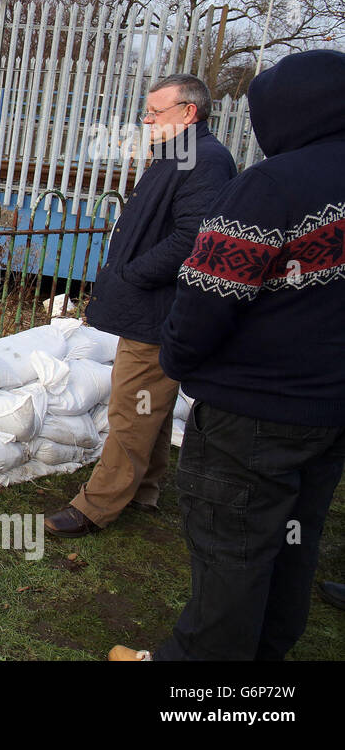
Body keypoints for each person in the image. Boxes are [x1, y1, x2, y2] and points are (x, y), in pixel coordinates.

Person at [111, 49, 345, 661]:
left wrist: (183, 361)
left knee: (232, 544)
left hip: (255, 409)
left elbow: (210, 292)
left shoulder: (270, 185)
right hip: (329, 404)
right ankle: (266, 651)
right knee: (296, 536)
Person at [45, 74, 237, 537]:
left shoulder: (204, 162)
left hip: (159, 310)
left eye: (156, 111)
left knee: (131, 407)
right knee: (146, 405)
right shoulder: (181, 155)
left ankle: (96, 506)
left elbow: (192, 239)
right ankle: (146, 487)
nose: (146, 119)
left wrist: (132, 274)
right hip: (153, 306)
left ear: (189, 112)